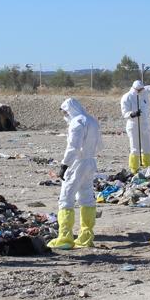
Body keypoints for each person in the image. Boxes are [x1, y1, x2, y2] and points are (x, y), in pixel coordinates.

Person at [48, 98, 101, 250]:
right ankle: (86, 236)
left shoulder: (77, 123)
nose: (65, 115)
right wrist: (89, 154)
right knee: (86, 197)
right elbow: (100, 145)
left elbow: (73, 146)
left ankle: (65, 237)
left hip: (76, 163)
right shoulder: (92, 121)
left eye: (65, 112)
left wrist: (64, 165)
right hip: (90, 162)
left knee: (66, 198)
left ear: (69, 110)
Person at [120, 80, 150, 172]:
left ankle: (147, 166)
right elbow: (124, 112)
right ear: (135, 89)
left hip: (144, 124)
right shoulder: (127, 97)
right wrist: (133, 114)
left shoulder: (144, 93)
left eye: (142, 89)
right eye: (139, 90)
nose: (141, 91)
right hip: (133, 124)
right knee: (135, 147)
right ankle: (134, 168)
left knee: (147, 146)